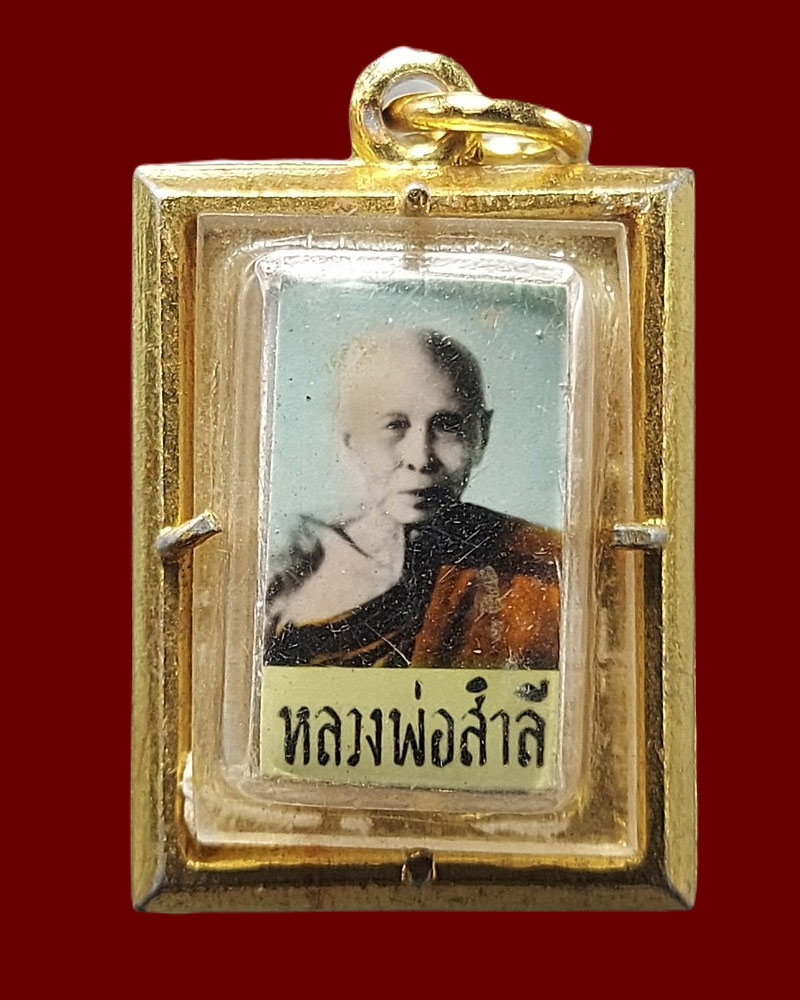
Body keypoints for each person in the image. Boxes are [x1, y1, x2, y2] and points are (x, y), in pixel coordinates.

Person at [264, 328, 560, 669]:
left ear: (481, 434)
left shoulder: (539, 563)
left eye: (447, 425)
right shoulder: (292, 564)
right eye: (394, 425)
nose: (420, 458)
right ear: (351, 442)